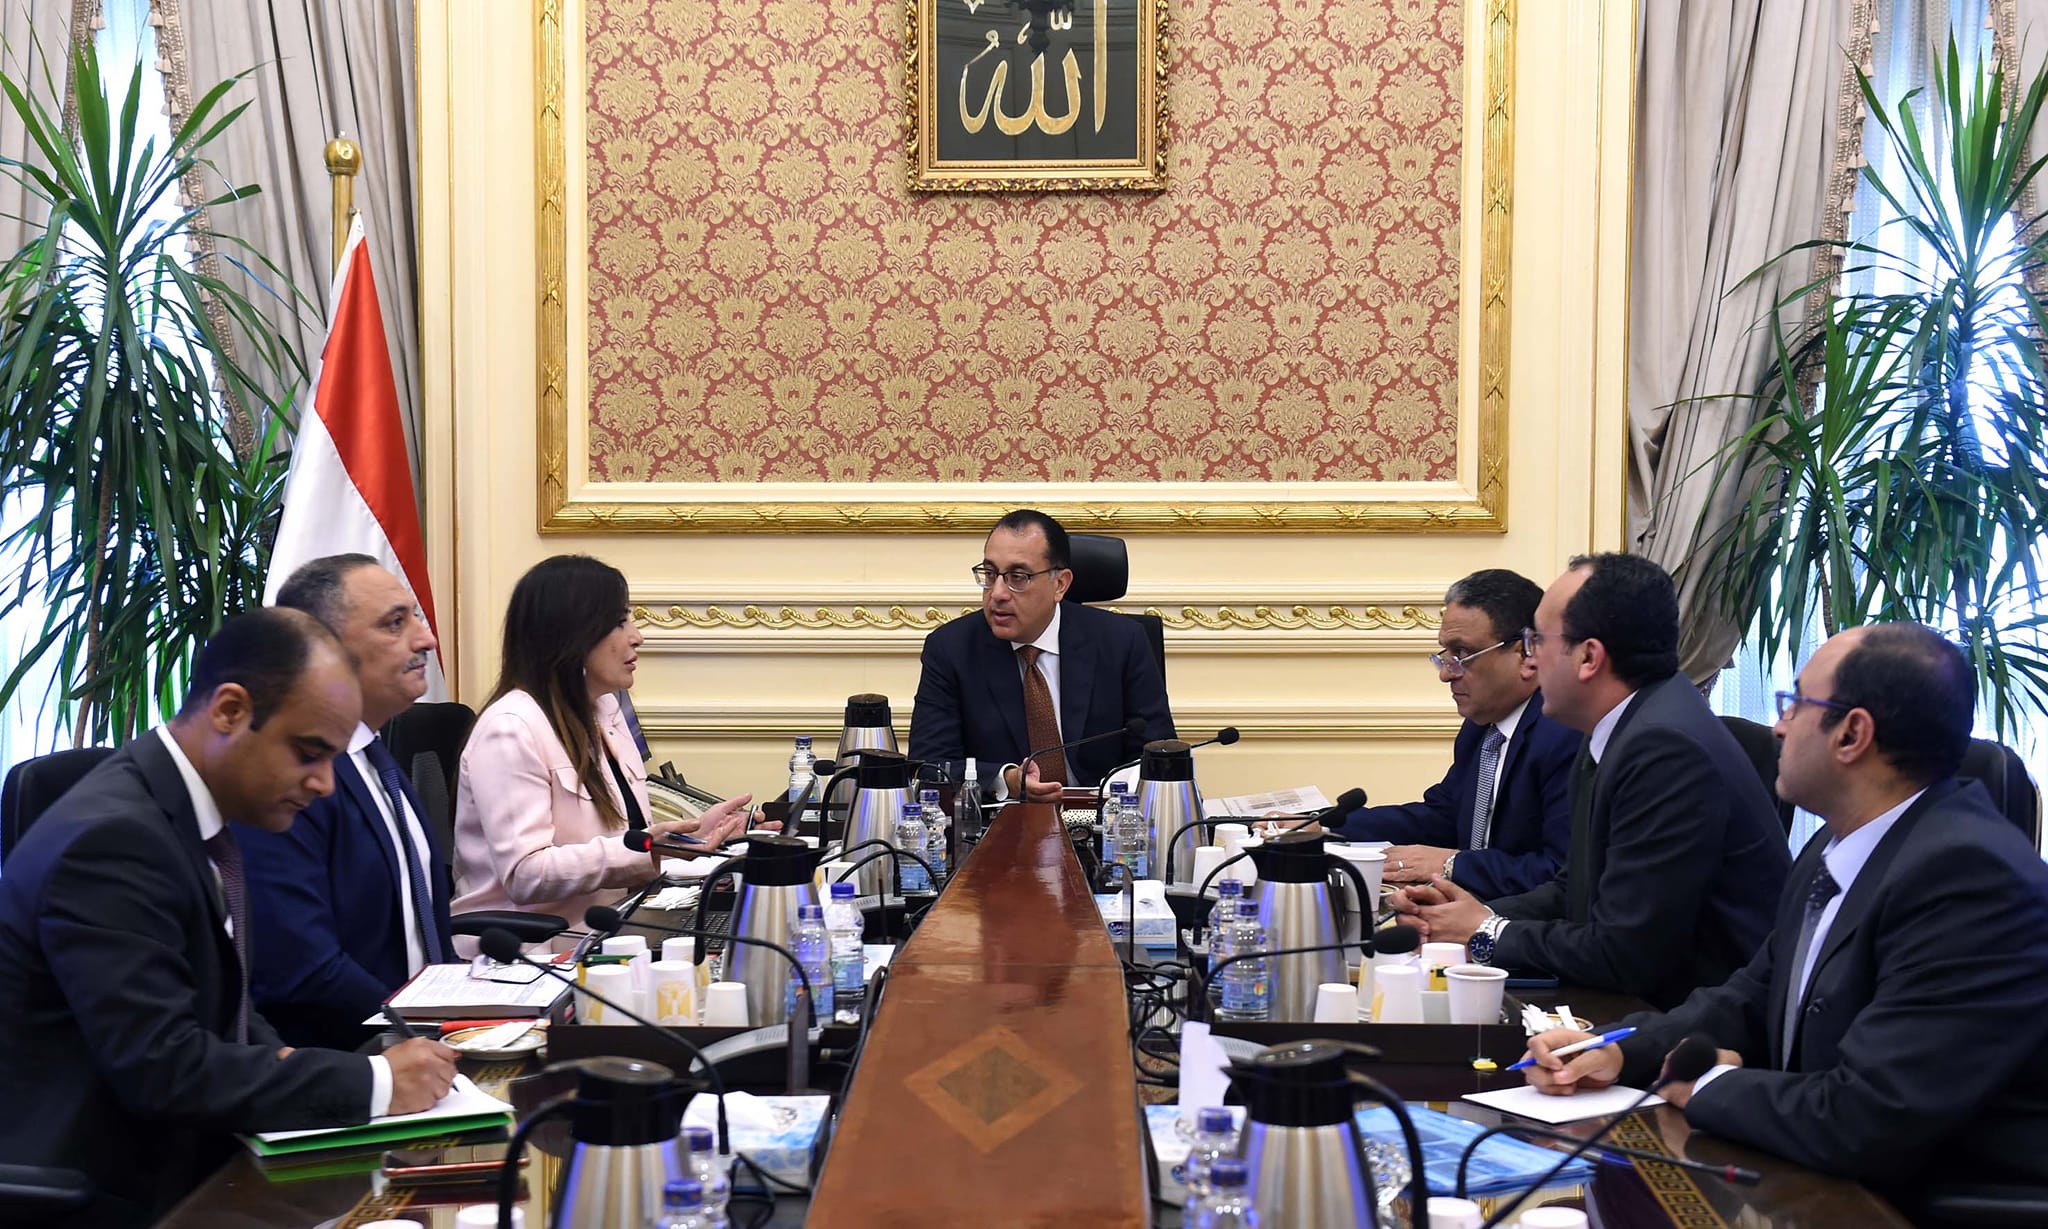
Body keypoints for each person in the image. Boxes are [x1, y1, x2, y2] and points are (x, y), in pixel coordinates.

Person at [1520, 624, 2048, 1211]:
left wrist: (1708, 1085)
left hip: (1914, 1205)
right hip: (1818, 1179)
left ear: (1851, 734)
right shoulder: (1836, 844)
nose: (1778, 726)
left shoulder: (1969, 879)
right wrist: (1619, 1051)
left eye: (1795, 704)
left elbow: (1866, 1117)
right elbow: (1750, 997)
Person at [0, 609, 458, 1227]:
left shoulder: (182, 809)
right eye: (308, 753)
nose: (325, 784)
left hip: (195, 1158)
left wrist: (295, 1063)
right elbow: (165, 1068)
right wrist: (373, 1082)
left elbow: (224, 1009)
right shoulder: (113, 840)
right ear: (230, 711)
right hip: (114, 1193)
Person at [1391, 553, 1788, 1007]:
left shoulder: (1664, 750)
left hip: (1692, 1020)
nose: (1529, 660)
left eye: (1536, 640)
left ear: (1589, 657)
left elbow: (1626, 953)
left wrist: (1487, 933)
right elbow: (1574, 890)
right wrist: (1459, 915)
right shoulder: (1619, 726)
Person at [452, 554, 754, 941]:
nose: (636, 636)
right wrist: (649, 849)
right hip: (529, 954)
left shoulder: (605, 709)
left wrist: (694, 835)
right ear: (572, 636)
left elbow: (626, 842)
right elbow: (526, 875)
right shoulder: (510, 729)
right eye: (618, 622)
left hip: (608, 931)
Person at [234, 555, 455, 1050]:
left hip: (423, 1043)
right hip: (342, 1062)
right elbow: (300, 967)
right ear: (324, 648)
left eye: (416, 618)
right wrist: (420, 1030)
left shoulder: (378, 758)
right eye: (395, 624)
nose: (425, 640)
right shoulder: (287, 780)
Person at [1331, 569, 1577, 897]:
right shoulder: (1481, 727)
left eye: (1462, 655)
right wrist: (1326, 825)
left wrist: (1452, 864)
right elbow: (1443, 816)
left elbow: (1561, 872)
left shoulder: (1566, 735)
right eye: (1444, 656)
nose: (1446, 674)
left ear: (1526, 654)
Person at [907, 509, 1175, 804]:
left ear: (1060, 584)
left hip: (1104, 817)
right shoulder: (951, 649)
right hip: (1002, 819)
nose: (997, 593)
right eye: (990, 574)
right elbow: (931, 766)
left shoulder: (1122, 642)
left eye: (1018, 577)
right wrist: (1005, 780)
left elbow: (1159, 755)